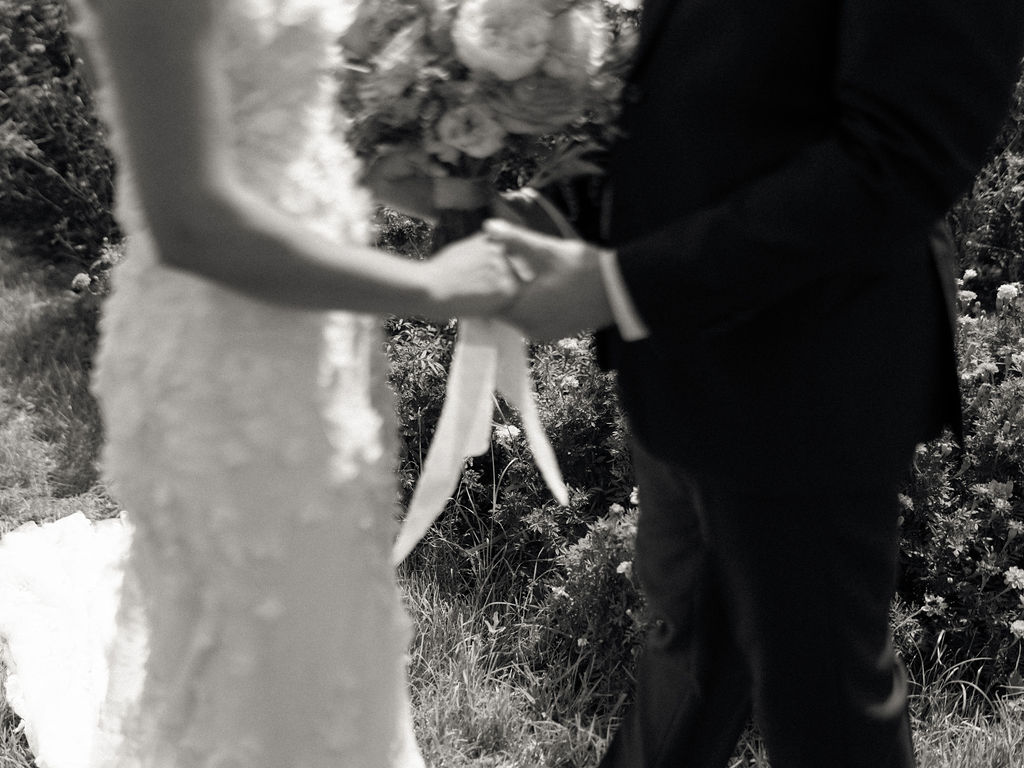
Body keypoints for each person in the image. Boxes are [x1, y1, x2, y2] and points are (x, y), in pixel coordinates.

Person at [485, 3, 1024, 767]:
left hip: (809, 379)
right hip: (680, 365)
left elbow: (899, 158)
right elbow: (687, 93)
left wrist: (621, 285)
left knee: (827, 720)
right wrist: (549, 212)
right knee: (687, 662)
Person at [0, 1, 522, 767]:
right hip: (223, 349)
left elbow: (296, 130)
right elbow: (190, 220)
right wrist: (430, 288)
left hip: (321, 329)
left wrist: (437, 180)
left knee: (321, 605)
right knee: (255, 624)